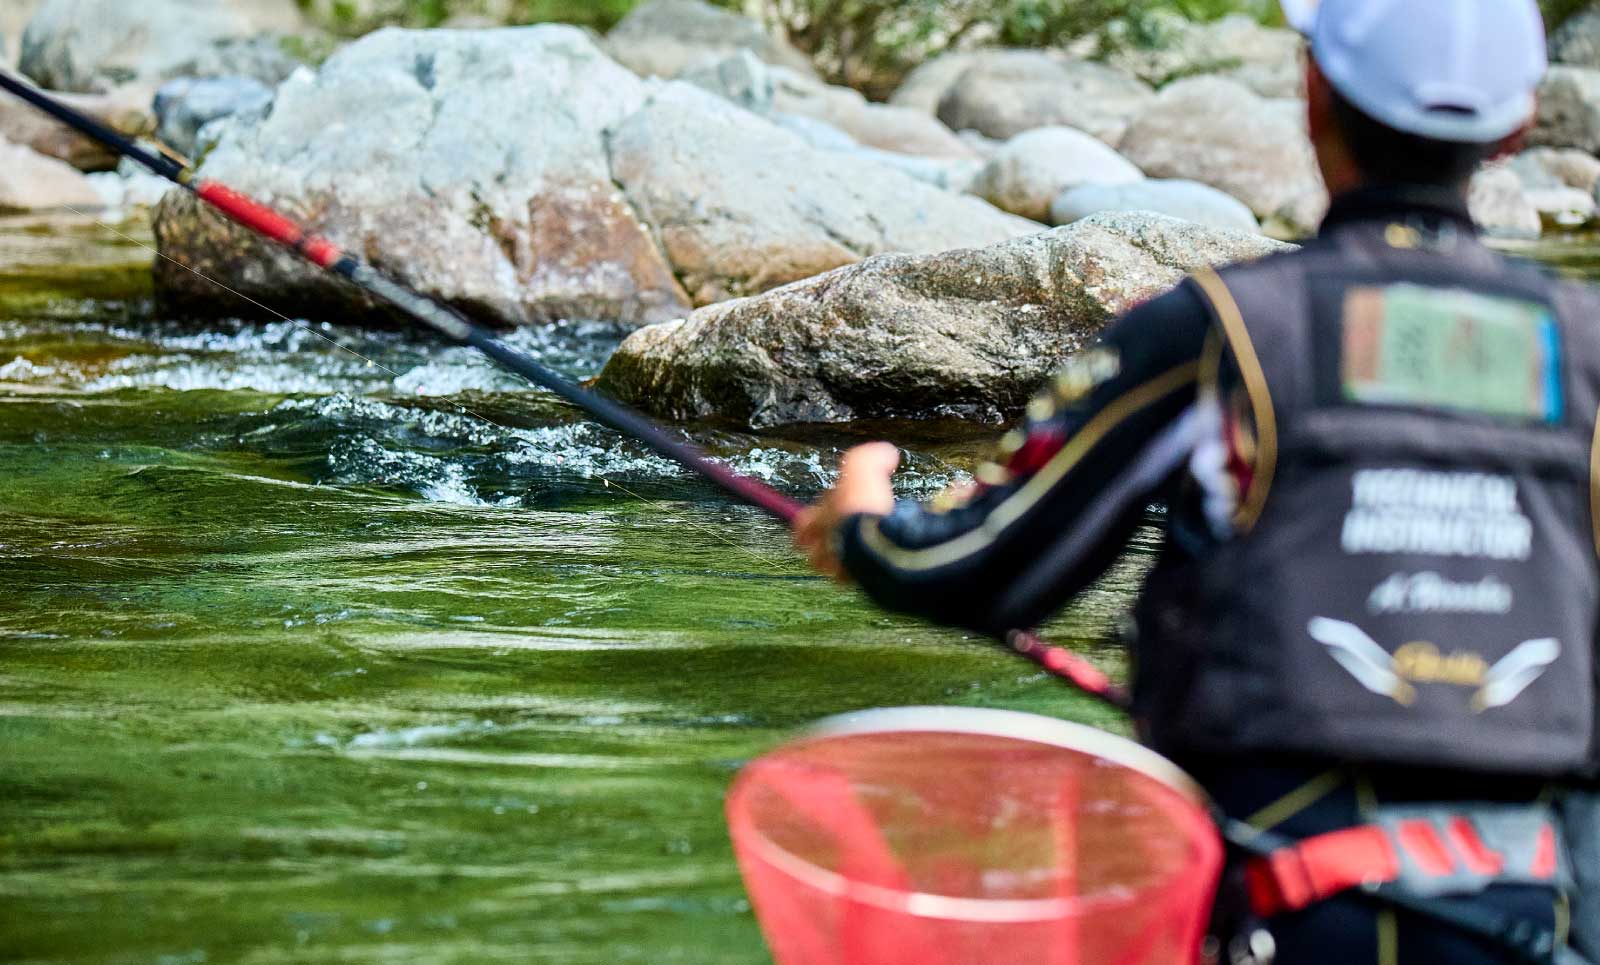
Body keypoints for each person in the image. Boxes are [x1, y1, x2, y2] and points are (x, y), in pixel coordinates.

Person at [793, 0, 1600, 962]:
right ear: (1517, 125)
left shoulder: (1218, 330)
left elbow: (975, 567)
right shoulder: (1587, 349)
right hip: (1547, 913)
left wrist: (862, 523)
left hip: (1292, 913)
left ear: (1312, 94)